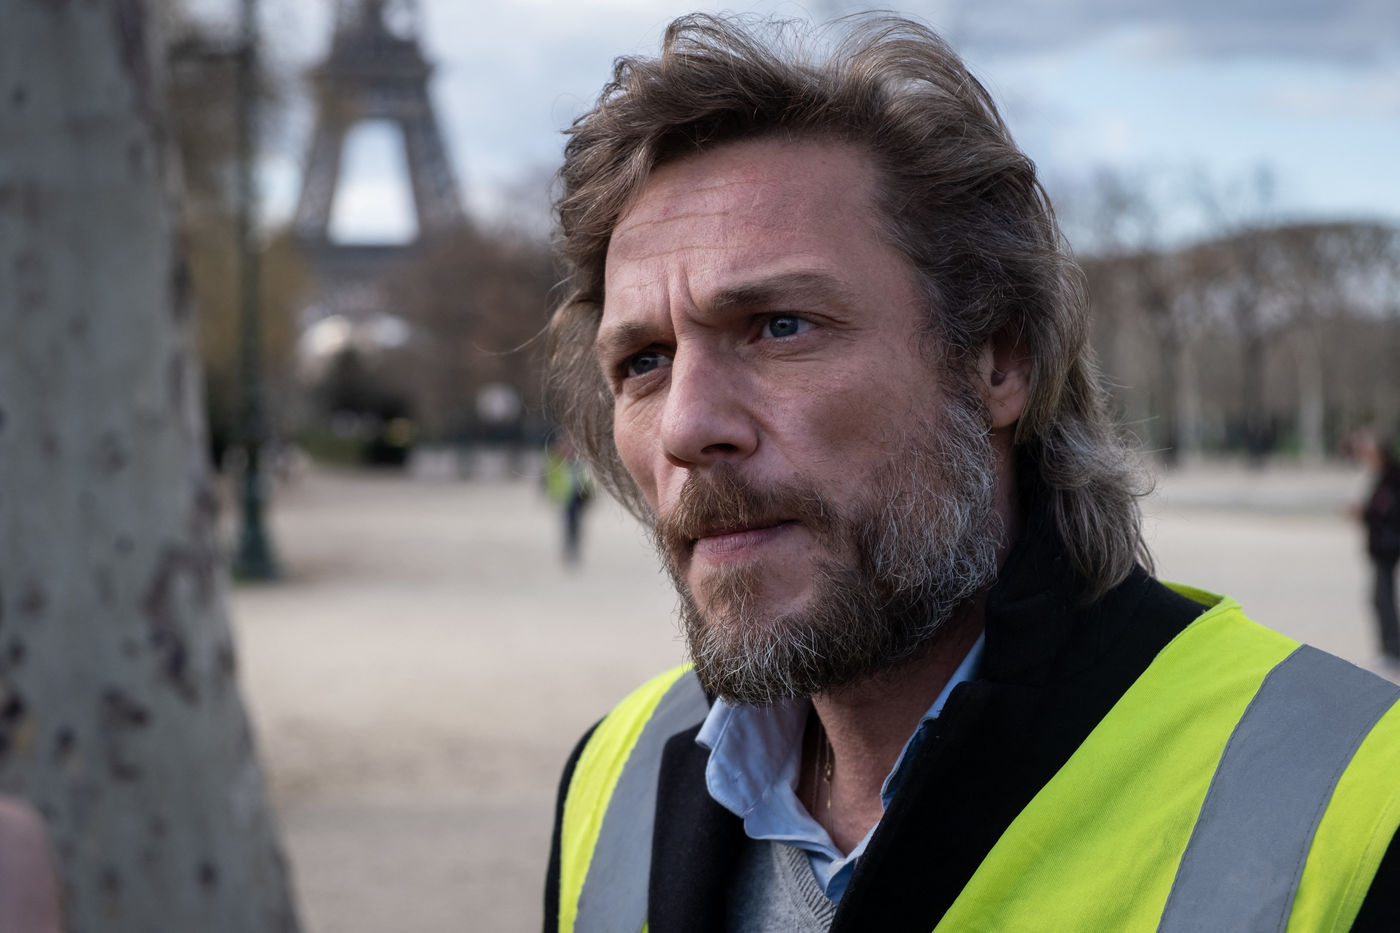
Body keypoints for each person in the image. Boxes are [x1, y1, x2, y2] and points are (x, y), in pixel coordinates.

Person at [541, 14, 1400, 932]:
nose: (685, 426)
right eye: (643, 362)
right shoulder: (612, 780)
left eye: (780, 326)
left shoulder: (1358, 800)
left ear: (998, 361)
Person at [1356, 432, 1400, 665]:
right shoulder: (1383, 475)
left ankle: (1392, 650)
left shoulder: (1392, 477)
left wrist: (1365, 513)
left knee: (1383, 599)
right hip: (1381, 546)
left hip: (1388, 547)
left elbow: (1387, 511)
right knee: (1378, 599)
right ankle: (1388, 649)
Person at [544, 434, 595, 564]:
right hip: (566, 496)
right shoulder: (556, 461)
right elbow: (550, 479)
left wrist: (589, 495)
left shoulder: (580, 461)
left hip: (579, 496)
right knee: (569, 522)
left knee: (576, 522)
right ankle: (570, 546)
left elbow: (587, 478)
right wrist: (553, 494)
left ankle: (574, 546)